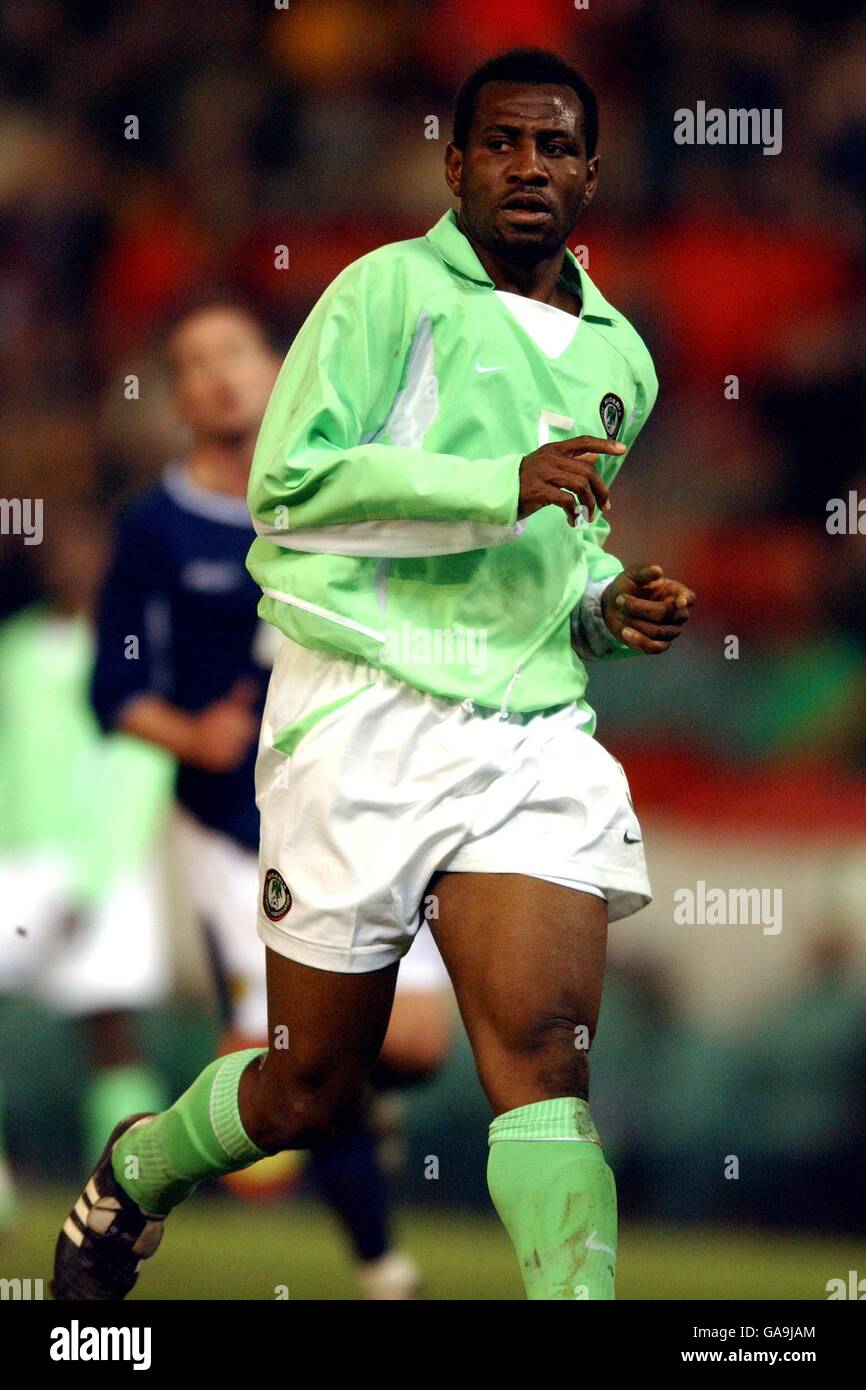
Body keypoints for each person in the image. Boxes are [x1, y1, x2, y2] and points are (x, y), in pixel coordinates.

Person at [54, 47, 694, 1303]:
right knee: (307, 1087)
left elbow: (556, 564)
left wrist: (605, 607)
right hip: (356, 713)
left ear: (590, 175)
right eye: (500, 143)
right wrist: (491, 484)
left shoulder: (623, 356)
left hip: (527, 738)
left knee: (543, 1060)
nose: (527, 167)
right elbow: (284, 490)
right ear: (452, 165)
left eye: (553, 148)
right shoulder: (381, 294)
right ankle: (137, 1172)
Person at [85, 297, 451, 1298]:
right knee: (300, 1068)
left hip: (363, 803)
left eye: (235, 351)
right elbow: (111, 688)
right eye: (191, 362)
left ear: (277, 360)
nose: (219, 375)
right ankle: (383, 1270)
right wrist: (187, 730)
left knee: (411, 1046)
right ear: (177, 396)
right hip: (233, 827)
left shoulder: (338, 487)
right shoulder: (157, 527)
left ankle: (247, 1119)